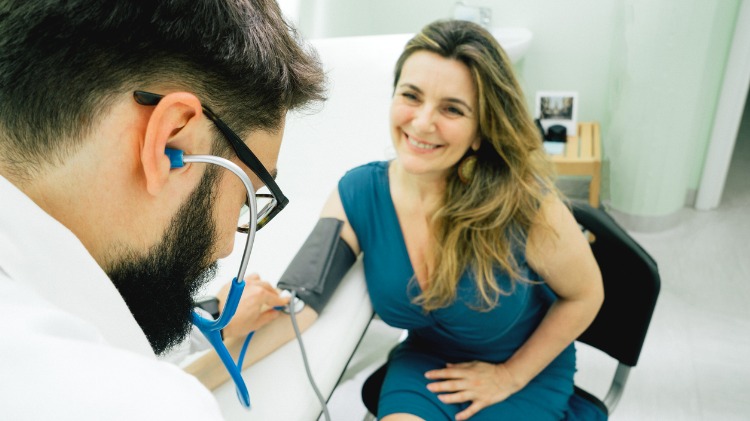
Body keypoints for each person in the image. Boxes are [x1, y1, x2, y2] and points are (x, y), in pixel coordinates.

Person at [0, 0, 324, 419]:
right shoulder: (142, 404)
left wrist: (215, 322)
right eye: (246, 196)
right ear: (174, 143)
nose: (227, 247)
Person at [319, 20, 604, 420]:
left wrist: (510, 375)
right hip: (426, 365)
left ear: (479, 131)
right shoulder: (360, 193)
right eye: (411, 96)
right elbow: (302, 297)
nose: (421, 122)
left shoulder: (525, 205)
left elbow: (586, 295)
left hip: (521, 370)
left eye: (452, 109)